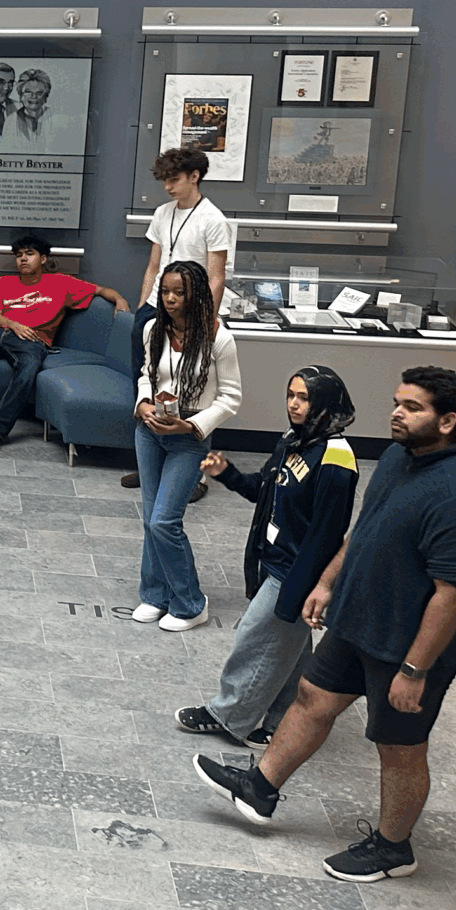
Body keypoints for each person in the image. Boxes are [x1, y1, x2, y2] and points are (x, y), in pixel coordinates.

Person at [197, 369, 456, 882]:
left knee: (399, 749)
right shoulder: (399, 458)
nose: (397, 413)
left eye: (413, 407)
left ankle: (392, 848)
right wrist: (327, 583)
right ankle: (260, 787)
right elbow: (364, 531)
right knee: (312, 698)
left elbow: (453, 597)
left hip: (407, 647)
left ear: (448, 422)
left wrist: (414, 669)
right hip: (357, 621)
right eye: (398, 402)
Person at [177, 368, 359, 747]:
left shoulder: (336, 460)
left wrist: (306, 590)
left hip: (295, 571)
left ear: (325, 404)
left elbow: (326, 535)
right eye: (291, 394)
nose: (294, 403)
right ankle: (283, 724)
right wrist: (226, 473)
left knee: (255, 636)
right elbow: (264, 490)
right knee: (289, 651)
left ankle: (228, 717)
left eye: (304, 397)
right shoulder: (295, 441)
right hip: (273, 560)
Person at [0, 232, 129, 451]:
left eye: (30, 254)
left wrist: (119, 299)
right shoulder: (4, 282)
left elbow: (102, 290)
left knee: (28, 368)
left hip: (33, 340)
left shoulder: (62, 283)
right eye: (19, 255)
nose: (23, 259)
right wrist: (14, 325)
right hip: (0, 333)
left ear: (44, 259)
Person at [131, 260, 243, 632]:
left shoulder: (218, 338)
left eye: (180, 292)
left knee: (165, 520)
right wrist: (144, 404)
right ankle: (154, 594)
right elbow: (147, 375)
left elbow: (230, 398)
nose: (171, 299)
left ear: (197, 295)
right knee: (150, 519)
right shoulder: (153, 329)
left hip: (188, 439)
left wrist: (191, 425)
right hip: (149, 432)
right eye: (165, 292)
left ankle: (191, 603)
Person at [123, 147, 238, 490]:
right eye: (165, 181)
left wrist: (207, 319)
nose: (169, 187)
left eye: (174, 180)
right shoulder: (162, 213)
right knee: (146, 381)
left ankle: (195, 474)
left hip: (191, 310)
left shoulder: (213, 219)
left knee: (194, 386)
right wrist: (144, 305)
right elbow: (153, 265)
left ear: (194, 176)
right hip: (157, 306)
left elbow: (216, 276)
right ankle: (150, 466)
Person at [10, 67, 54, 146]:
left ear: (46, 96)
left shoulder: (54, 117)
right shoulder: (11, 121)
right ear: (21, 95)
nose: (34, 96)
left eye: (39, 93)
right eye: (28, 92)